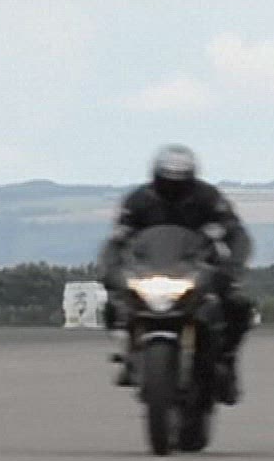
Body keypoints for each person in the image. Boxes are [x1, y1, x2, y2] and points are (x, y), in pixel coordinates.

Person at [99, 145, 254, 404]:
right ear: (157, 177)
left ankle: (226, 361)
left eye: (179, 184)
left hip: (199, 272)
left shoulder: (208, 198)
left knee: (238, 305)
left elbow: (236, 234)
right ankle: (129, 351)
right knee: (114, 304)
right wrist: (111, 270)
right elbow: (117, 240)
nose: (173, 189)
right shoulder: (139, 201)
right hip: (150, 272)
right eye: (168, 182)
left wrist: (232, 268)